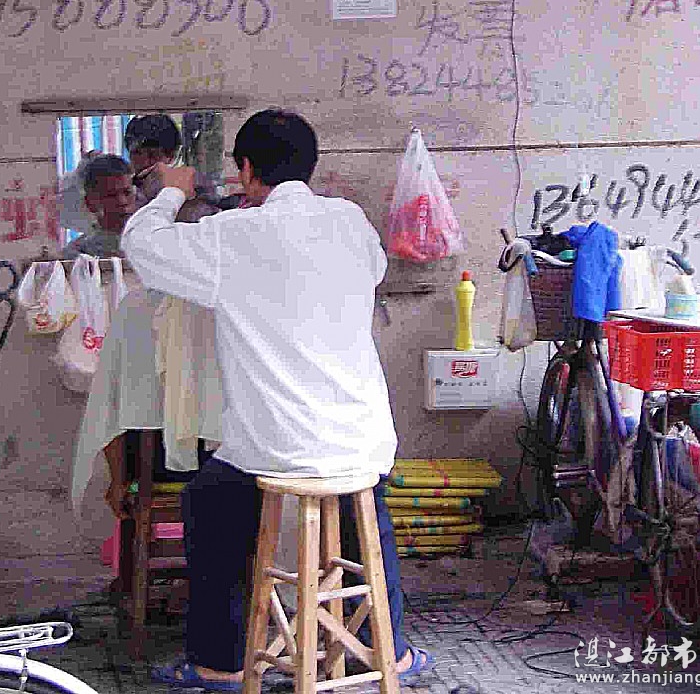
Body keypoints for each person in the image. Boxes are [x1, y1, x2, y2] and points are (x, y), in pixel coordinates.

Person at [120, 109, 433, 690]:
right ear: (309, 166)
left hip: (277, 448)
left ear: (245, 170)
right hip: (362, 438)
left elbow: (142, 246)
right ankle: (388, 650)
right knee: (365, 503)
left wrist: (171, 192)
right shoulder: (350, 222)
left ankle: (221, 660)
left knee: (210, 499)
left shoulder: (233, 235)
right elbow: (367, 270)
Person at [61, 154, 135, 259]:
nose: (122, 201)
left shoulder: (152, 242)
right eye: (111, 195)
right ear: (90, 203)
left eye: (127, 193)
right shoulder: (77, 255)